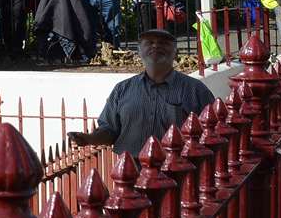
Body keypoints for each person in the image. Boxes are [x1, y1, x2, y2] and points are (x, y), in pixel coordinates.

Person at [65, 29, 216, 154]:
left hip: (178, 174)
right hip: (130, 175)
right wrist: (89, 139)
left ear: (175, 52)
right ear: (139, 51)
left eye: (163, 43)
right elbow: (110, 130)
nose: (156, 46)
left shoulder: (195, 90)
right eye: (149, 43)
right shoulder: (122, 90)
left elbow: (212, 133)